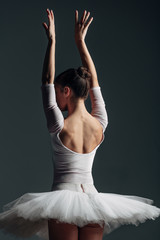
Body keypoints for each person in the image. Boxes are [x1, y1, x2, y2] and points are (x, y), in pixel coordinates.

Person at [0, 8, 160, 240]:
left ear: (66, 90)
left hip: (62, 203)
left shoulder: (58, 125)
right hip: (93, 202)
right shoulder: (100, 122)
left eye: (57, 92)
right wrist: (80, 42)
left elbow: (46, 79)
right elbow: (93, 80)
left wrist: (52, 42)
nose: (55, 98)